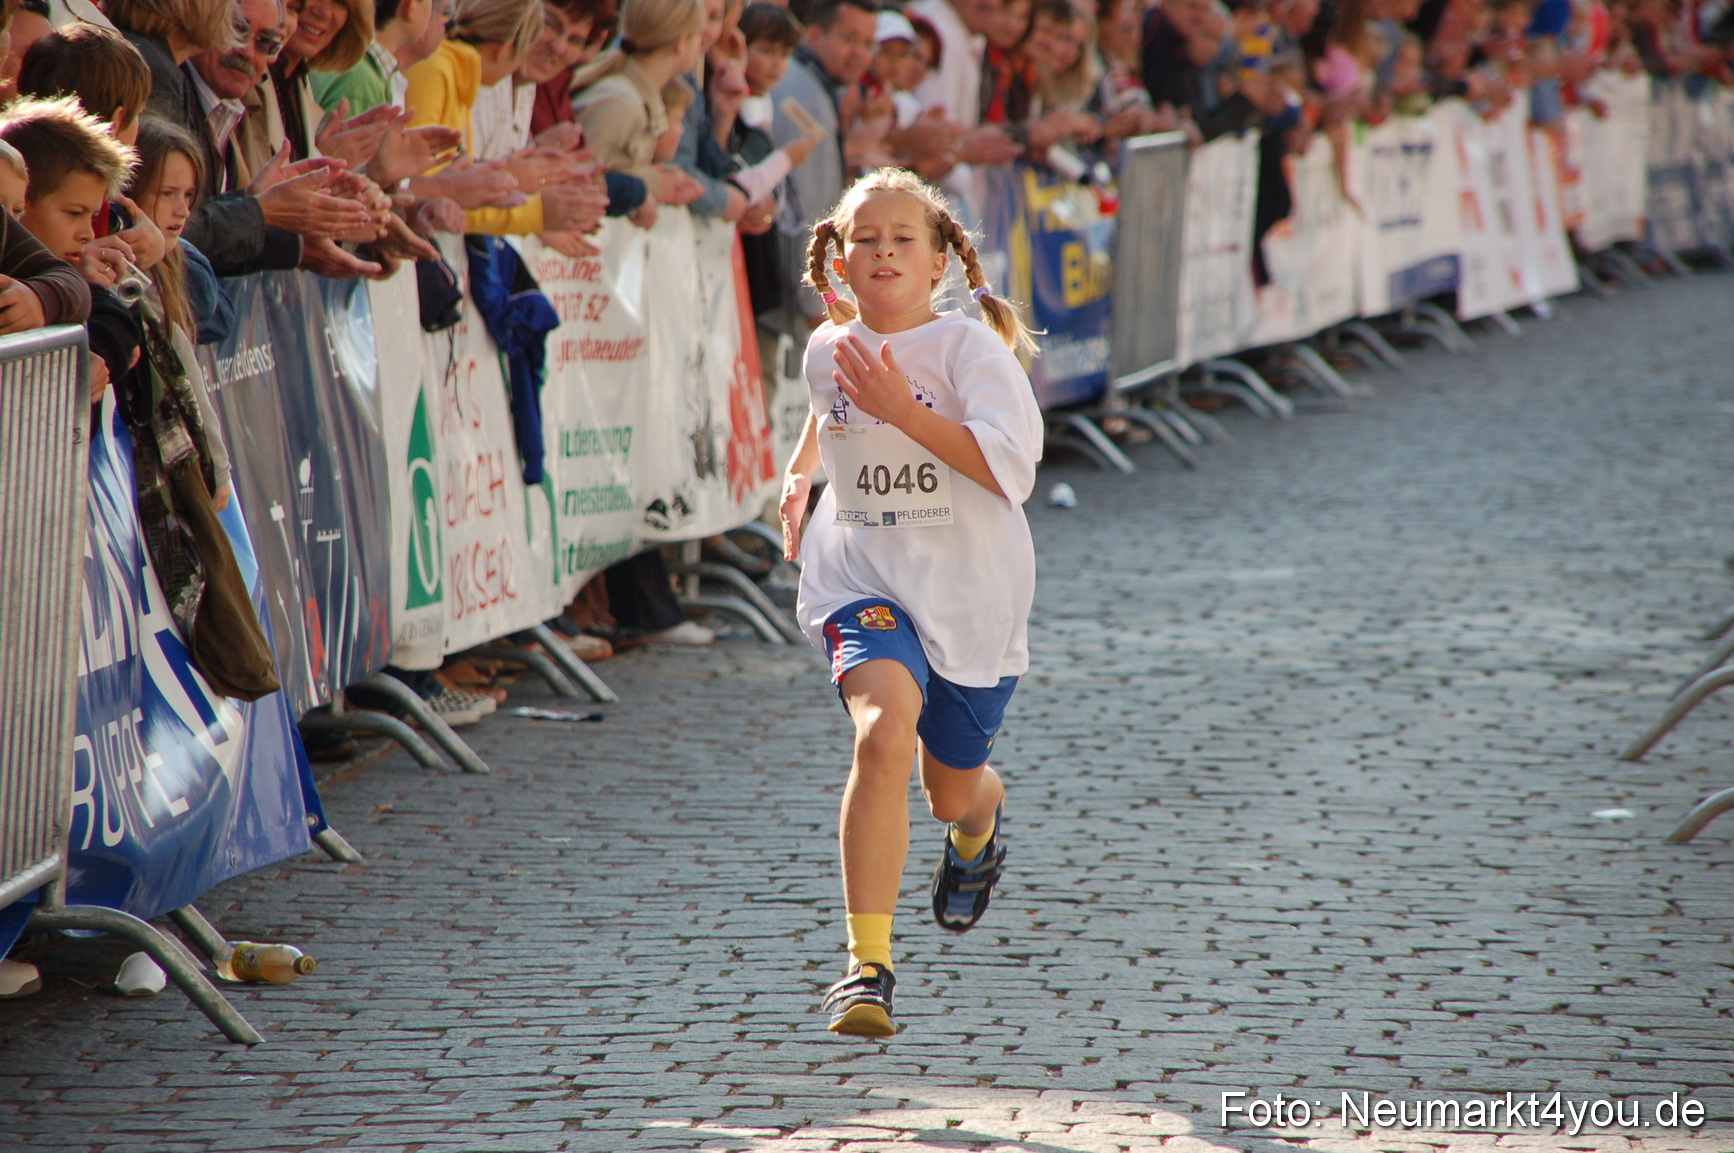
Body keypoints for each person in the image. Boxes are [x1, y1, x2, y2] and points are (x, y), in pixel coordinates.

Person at [776, 167, 1042, 1038]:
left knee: (948, 792)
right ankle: (868, 968)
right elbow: (827, 403)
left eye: (902, 239)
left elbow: (1010, 469)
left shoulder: (971, 352)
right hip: (862, 576)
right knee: (883, 731)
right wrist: (800, 472)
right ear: (841, 262)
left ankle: (979, 820)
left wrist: (903, 409)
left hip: (970, 596)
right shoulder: (828, 346)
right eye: (866, 239)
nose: (883, 251)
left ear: (938, 263)